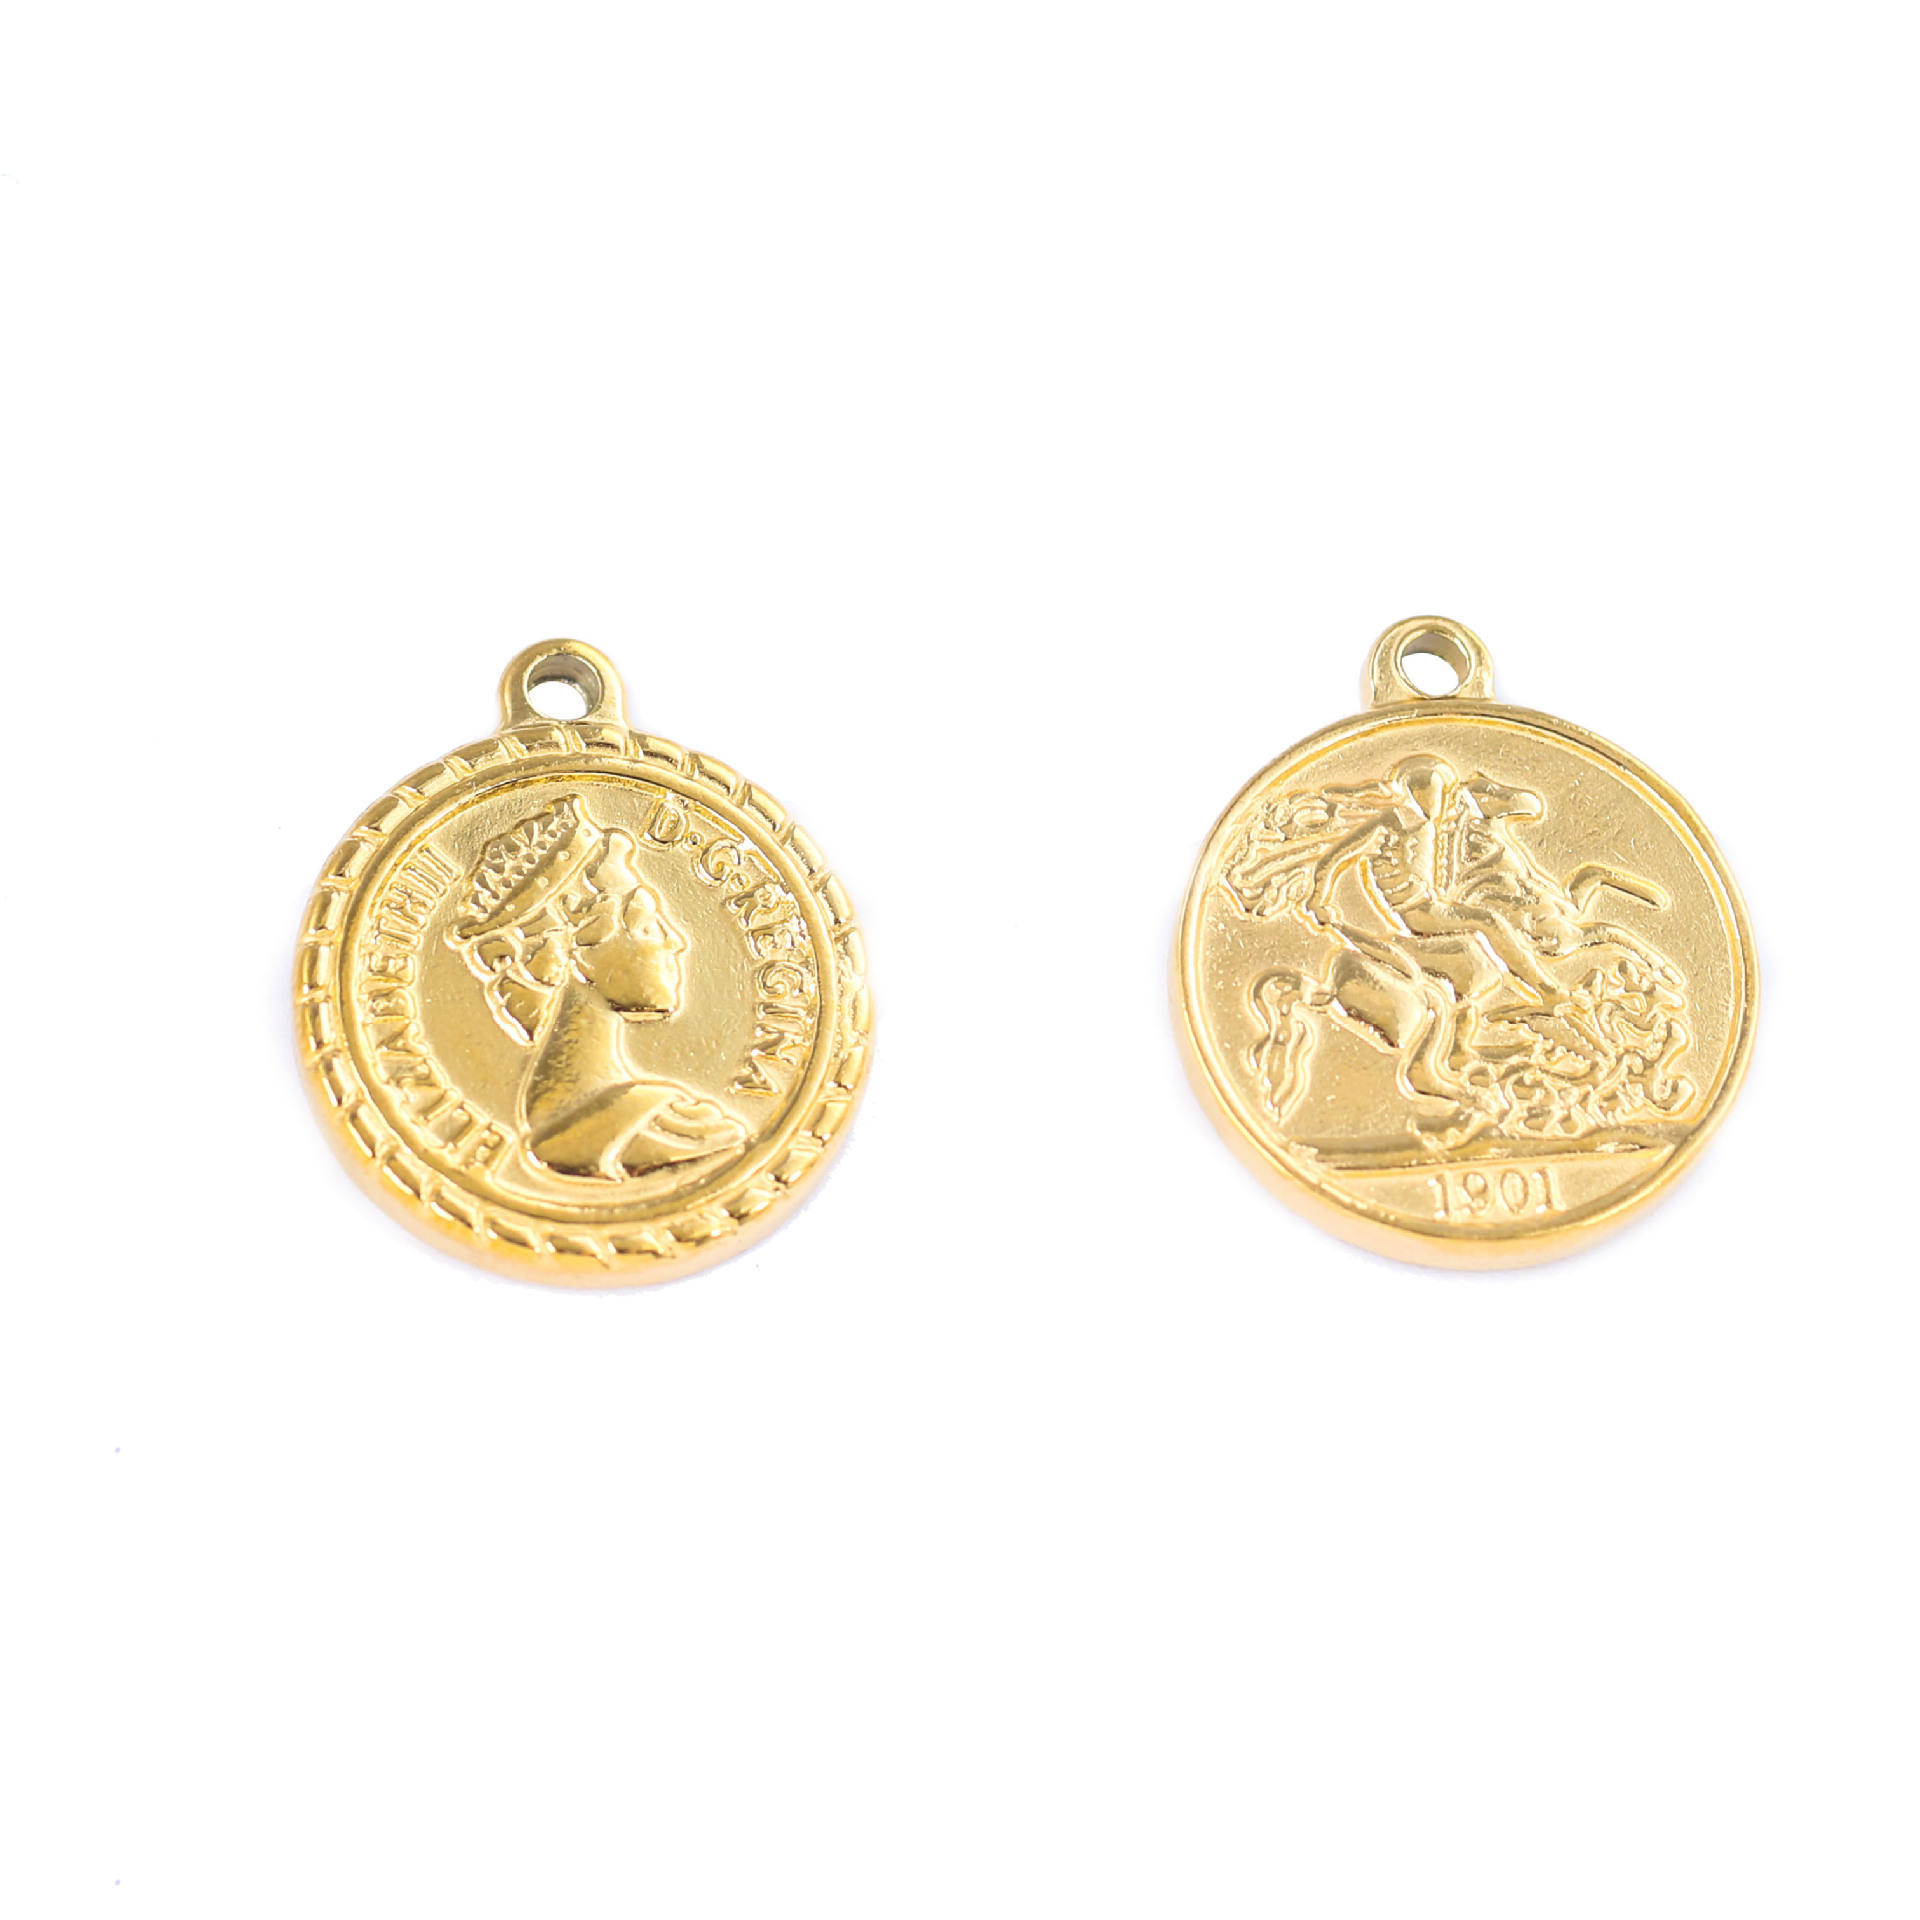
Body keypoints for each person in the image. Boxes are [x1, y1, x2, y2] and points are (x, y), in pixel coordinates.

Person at [447, 797, 746, 1180]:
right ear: (578, 953)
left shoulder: (669, 1119)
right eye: (647, 926)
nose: (676, 941)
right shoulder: (666, 1128)